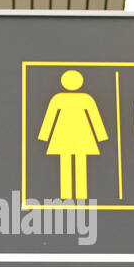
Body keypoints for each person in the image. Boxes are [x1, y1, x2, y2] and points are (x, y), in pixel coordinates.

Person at [38, 69, 108, 199]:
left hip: (68, 135)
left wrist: (44, 135)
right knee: (75, 163)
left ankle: (70, 194)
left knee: (69, 163)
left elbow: (94, 117)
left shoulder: (61, 98)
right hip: (78, 135)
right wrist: (101, 136)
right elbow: (95, 119)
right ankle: (75, 194)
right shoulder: (83, 98)